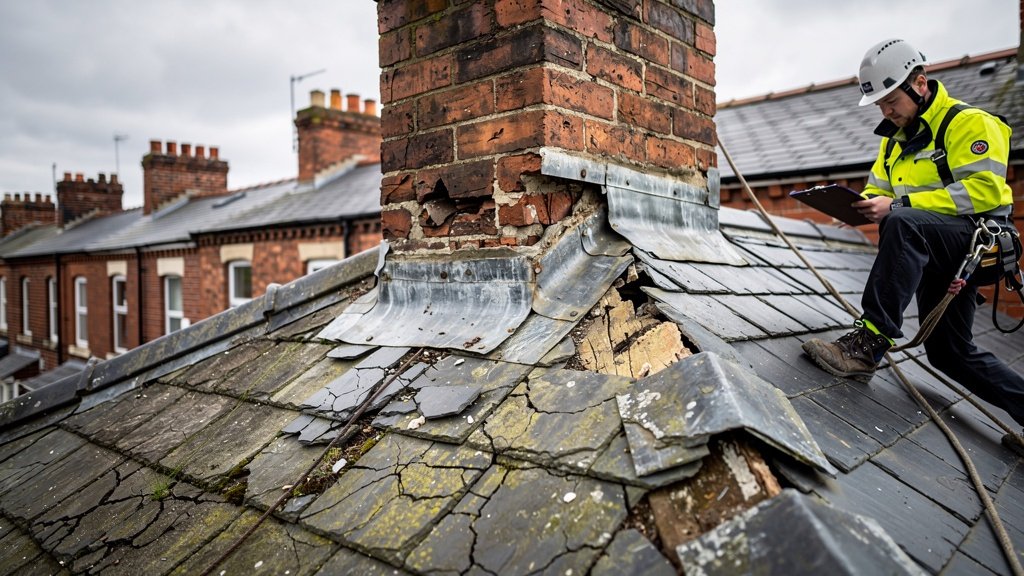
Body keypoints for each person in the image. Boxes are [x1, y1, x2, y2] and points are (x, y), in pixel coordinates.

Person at [800, 39, 1024, 452]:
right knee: (949, 353)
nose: (886, 112)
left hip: (974, 242)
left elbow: (985, 192)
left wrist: (898, 205)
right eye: (879, 105)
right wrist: (862, 203)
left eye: (890, 101)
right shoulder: (894, 141)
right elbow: (878, 188)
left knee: (902, 222)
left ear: (920, 83)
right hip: (932, 246)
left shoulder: (970, 123)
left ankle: (868, 344)